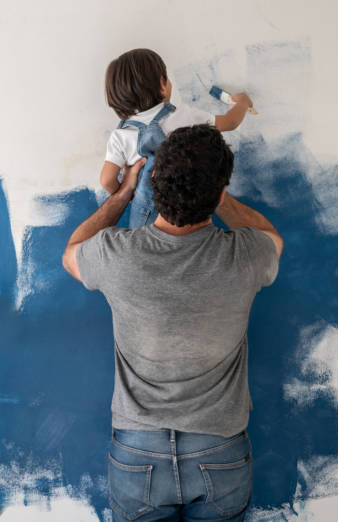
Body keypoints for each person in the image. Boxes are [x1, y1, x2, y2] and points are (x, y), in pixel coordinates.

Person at [62, 124, 282, 521]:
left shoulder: (117, 255)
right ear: (217, 194)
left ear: (155, 180)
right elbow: (271, 237)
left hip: (136, 452)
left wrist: (123, 193)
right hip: (220, 450)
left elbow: (71, 253)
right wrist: (219, 198)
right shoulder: (247, 255)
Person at [101, 48, 253, 228]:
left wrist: (130, 197)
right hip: (187, 206)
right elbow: (231, 122)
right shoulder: (185, 117)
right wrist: (243, 103)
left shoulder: (121, 136)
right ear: (162, 85)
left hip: (144, 213)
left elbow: (106, 181)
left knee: (148, 251)